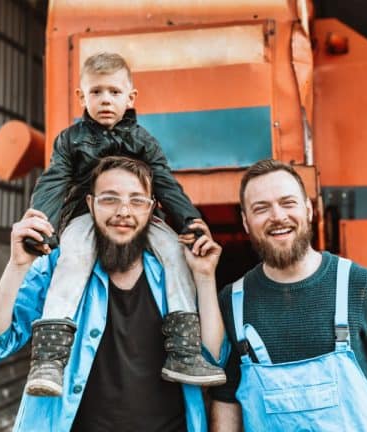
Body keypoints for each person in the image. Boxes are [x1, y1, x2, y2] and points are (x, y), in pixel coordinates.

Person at [0, 157, 226, 431]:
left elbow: (214, 359)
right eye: (110, 199)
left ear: (151, 209)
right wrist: (17, 266)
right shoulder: (58, 268)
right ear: (90, 204)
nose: (124, 211)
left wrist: (205, 277)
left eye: (137, 200)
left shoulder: (176, 271)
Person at [23, 52, 225, 395]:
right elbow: (54, 181)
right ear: (81, 97)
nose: (105, 100)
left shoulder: (144, 141)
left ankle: (183, 351)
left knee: (175, 255)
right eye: (96, 92)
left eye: (114, 92)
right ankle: (49, 360)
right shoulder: (70, 140)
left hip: (142, 218)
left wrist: (191, 221)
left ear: (130, 97)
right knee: (72, 259)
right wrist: (42, 222)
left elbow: (164, 182)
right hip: (88, 217)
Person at [209, 159, 367, 431]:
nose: (277, 216)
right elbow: (226, 400)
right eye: (261, 208)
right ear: (246, 222)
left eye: (288, 203)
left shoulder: (359, 285)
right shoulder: (233, 302)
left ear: (308, 209)